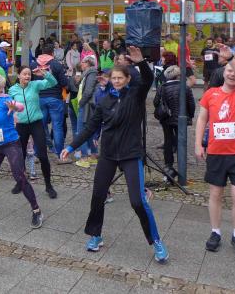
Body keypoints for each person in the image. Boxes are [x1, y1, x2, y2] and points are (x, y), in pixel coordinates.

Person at [61, 46, 169, 263]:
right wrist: (71, 147)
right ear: (110, 80)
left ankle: (156, 240)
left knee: (137, 201)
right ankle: (96, 235)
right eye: (114, 78)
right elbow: (90, 127)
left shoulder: (135, 96)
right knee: (98, 195)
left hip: (130, 154)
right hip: (109, 154)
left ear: (127, 79)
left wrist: (140, 62)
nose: (117, 81)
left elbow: (147, 80)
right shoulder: (104, 101)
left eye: (121, 78)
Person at [194, 44, 235, 259]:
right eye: (228, 71)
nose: (232, 74)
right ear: (223, 73)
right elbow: (202, 119)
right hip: (217, 153)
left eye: (234, 71)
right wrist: (198, 144)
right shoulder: (211, 94)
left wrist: (231, 60)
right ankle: (215, 232)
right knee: (216, 194)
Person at [0, 74, 44, 228]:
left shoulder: (5, 100)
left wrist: (14, 108)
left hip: (11, 144)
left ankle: (36, 211)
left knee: (19, 177)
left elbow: (20, 106)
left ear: (1, 88)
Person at [8, 66, 58, 199]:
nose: (27, 76)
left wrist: (45, 74)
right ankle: (20, 182)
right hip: (21, 125)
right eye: (24, 74)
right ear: (18, 75)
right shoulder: (12, 90)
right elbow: (8, 106)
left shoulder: (35, 85)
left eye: (29, 74)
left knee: (42, 155)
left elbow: (53, 83)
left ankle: (48, 185)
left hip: (36, 123)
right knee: (21, 155)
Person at [153, 66, 195, 179]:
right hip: (181, 118)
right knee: (180, 140)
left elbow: (155, 102)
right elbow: (191, 104)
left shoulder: (162, 87)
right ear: (178, 76)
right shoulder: (185, 87)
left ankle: (168, 164)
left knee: (168, 140)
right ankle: (181, 163)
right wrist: (190, 115)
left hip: (166, 118)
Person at [34, 44, 68, 158]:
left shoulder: (34, 64)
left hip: (39, 98)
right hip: (55, 98)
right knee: (57, 126)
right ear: (52, 53)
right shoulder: (56, 64)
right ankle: (60, 154)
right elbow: (64, 82)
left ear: (42, 52)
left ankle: (38, 152)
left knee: (39, 126)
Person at [73, 56, 98, 166]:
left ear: (88, 63)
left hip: (86, 106)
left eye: (82, 62)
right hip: (85, 105)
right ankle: (93, 155)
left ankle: (84, 158)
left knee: (81, 131)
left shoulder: (91, 73)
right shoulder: (87, 73)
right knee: (89, 131)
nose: (81, 64)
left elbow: (88, 91)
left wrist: (81, 103)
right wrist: (77, 81)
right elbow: (80, 88)